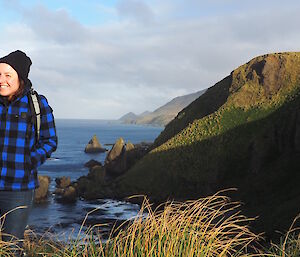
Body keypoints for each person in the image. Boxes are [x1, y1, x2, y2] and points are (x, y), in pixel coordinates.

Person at [0, 50, 57, 245]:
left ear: (20, 78)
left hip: (18, 189)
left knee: (11, 246)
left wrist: (28, 161)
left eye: (8, 75)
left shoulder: (36, 104)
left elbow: (50, 141)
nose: (2, 80)